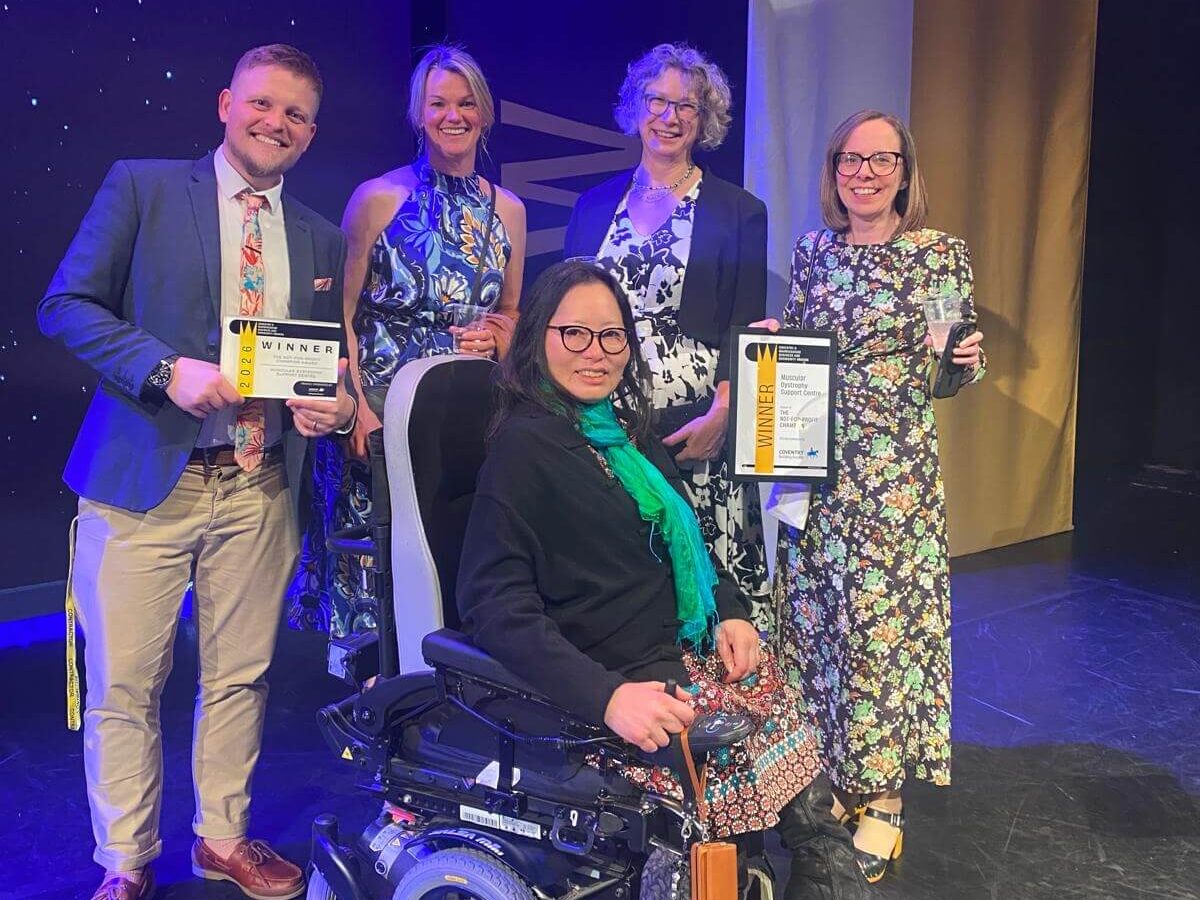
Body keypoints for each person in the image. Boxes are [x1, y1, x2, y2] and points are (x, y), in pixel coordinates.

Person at [37, 44, 354, 900]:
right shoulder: (142, 187)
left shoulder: (319, 237)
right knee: (125, 685)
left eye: (294, 115)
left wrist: (336, 409)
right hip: (144, 483)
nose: (274, 123)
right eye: (261, 104)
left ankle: (221, 838)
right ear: (225, 102)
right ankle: (124, 862)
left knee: (241, 677)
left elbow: (322, 372)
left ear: (311, 133)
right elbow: (64, 304)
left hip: (258, 489)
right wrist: (161, 368)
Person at [457, 260, 866, 899]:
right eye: (575, 334)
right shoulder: (523, 449)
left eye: (612, 336)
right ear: (539, 337)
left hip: (679, 655)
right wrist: (608, 697)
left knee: (810, 811)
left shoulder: (624, 436)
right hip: (609, 685)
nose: (596, 353)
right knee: (761, 770)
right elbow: (493, 604)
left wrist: (730, 609)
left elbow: (691, 544)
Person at [757, 109, 986, 883]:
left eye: (880, 160)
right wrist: (771, 340)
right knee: (820, 621)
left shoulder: (937, 256)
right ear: (834, 171)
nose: (864, 173)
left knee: (883, 629)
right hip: (813, 466)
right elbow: (798, 347)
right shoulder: (814, 251)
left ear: (904, 169)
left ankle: (883, 794)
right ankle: (826, 777)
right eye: (850, 161)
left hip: (892, 479)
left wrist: (957, 357)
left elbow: (951, 372)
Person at [288, 44, 525, 637]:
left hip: (469, 416)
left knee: (452, 556)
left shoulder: (509, 210)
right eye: (438, 102)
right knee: (375, 564)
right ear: (419, 113)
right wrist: (356, 411)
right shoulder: (378, 198)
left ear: (485, 113)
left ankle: (444, 701)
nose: (454, 115)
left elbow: (515, 311)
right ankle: (373, 708)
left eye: (466, 102)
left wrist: (498, 339)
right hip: (380, 413)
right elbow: (338, 314)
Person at [562, 43, 771, 629]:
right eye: (658, 101)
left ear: (704, 121)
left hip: (696, 426)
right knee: (629, 570)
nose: (670, 116)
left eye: (687, 106)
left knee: (709, 577)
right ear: (636, 108)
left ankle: (724, 706)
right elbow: (564, 311)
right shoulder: (594, 204)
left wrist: (724, 414)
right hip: (605, 421)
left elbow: (745, 324)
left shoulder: (739, 211)